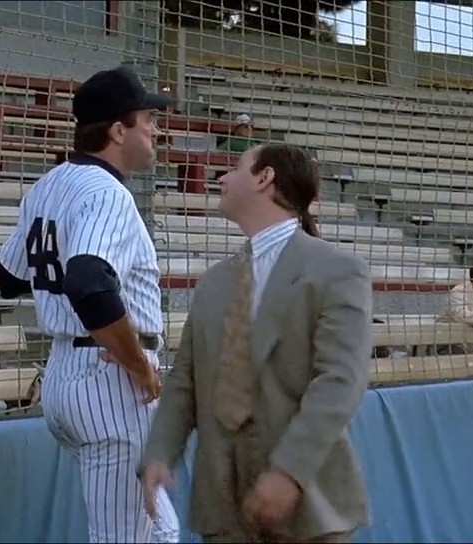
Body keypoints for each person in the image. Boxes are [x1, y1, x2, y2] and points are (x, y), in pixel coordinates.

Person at [137, 143, 374, 543]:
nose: (223, 178)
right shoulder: (213, 283)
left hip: (308, 506)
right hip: (223, 507)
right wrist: (160, 451)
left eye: (235, 168)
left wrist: (289, 471)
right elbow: (185, 380)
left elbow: (340, 382)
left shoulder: (336, 271)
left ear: (265, 178)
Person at [0, 65, 179, 543]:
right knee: (124, 538)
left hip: (66, 373)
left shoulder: (48, 185)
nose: (156, 130)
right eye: (147, 119)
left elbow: (8, 277)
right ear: (118, 130)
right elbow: (88, 280)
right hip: (109, 379)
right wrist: (136, 363)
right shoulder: (106, 192)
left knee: (160, 530)